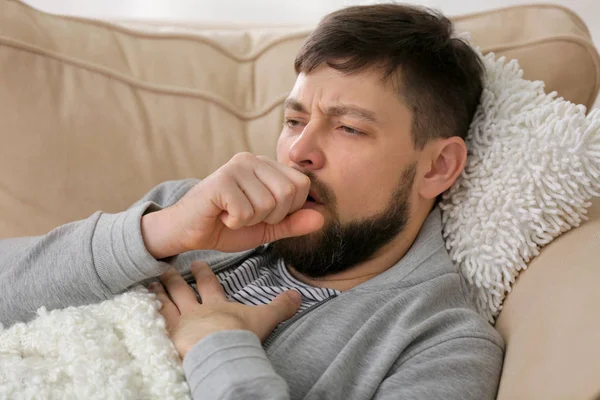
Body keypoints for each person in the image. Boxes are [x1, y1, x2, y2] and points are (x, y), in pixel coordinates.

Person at [0, 3, 504, 399]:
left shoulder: (441, 345)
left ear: (438, 166)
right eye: (293, 120)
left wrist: (215, 346)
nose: (299, 151)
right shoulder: (187, 210)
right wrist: (157, 233)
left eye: (349, 128)